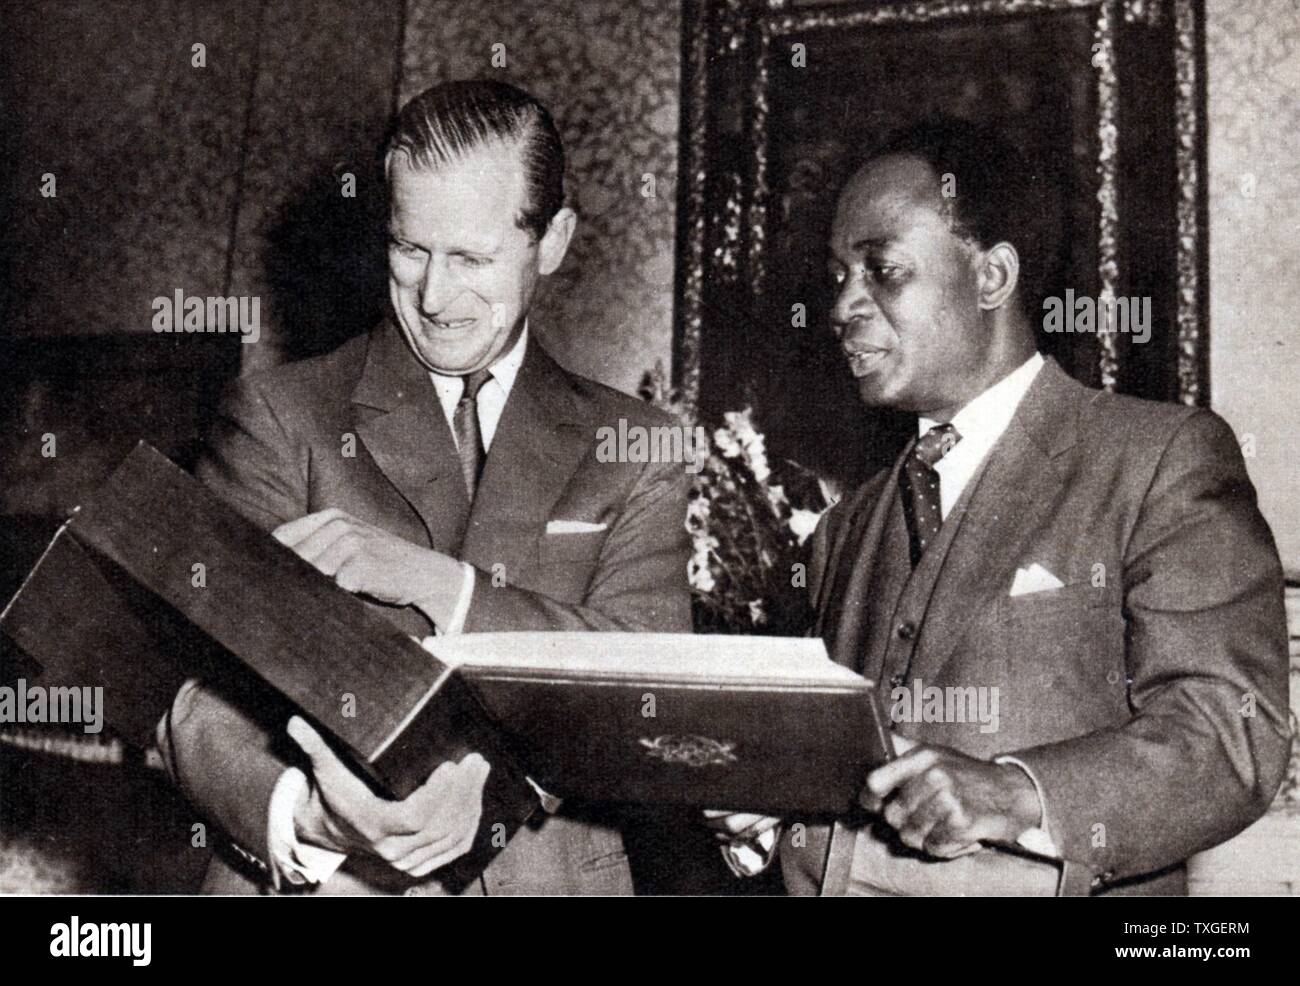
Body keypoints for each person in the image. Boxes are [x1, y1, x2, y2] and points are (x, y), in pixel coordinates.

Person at [716, 117, 1291, 895]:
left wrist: (1021, 793)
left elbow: (1231, 732)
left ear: (991, 278)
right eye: (837, 276)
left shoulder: (1157, 459)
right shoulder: (846, 529)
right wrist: (760, 814)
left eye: (881, 269)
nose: (843, 305)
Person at [157, 79, 692, 895]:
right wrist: (304, 814)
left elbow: (654, 693)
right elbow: (189, 690)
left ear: (552, 241)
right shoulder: (281, 413)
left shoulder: (638, 447)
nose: (435, 299)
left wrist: (444, 587)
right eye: (410, 251)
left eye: (472, 259)